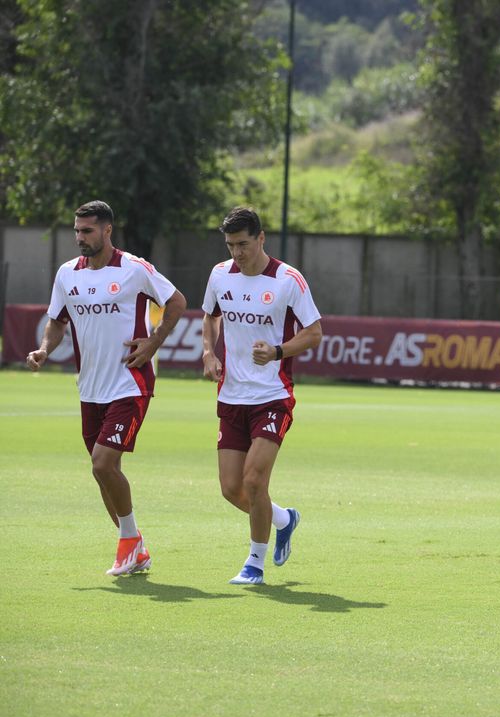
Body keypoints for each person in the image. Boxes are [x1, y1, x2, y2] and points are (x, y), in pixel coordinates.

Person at [26, 200, 187, 575]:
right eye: (77, 231)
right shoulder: (68, 274)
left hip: (130, 383)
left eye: (88, 231)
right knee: (101, 472)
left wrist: (154, 342)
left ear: (107, 230)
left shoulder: (134, 269)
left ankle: (129, 545)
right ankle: (135, 547)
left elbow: (177, 301)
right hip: (90, 389)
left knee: (103, 462)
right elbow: (56, 321)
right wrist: (45, 349)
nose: (80, 237)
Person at [201, 207, 323, 585]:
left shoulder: (288, 279)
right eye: (230, 245)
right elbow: (210, 316)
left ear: (261, 238)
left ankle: (255, 564)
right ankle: (284, 519)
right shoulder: (220, 275)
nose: (237, 253)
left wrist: (277, 351)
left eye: (243, 244)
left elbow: (315, 332)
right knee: (230, 488)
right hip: (231, 396)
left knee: (254, 481)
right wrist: (209, 352)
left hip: (273, 396)